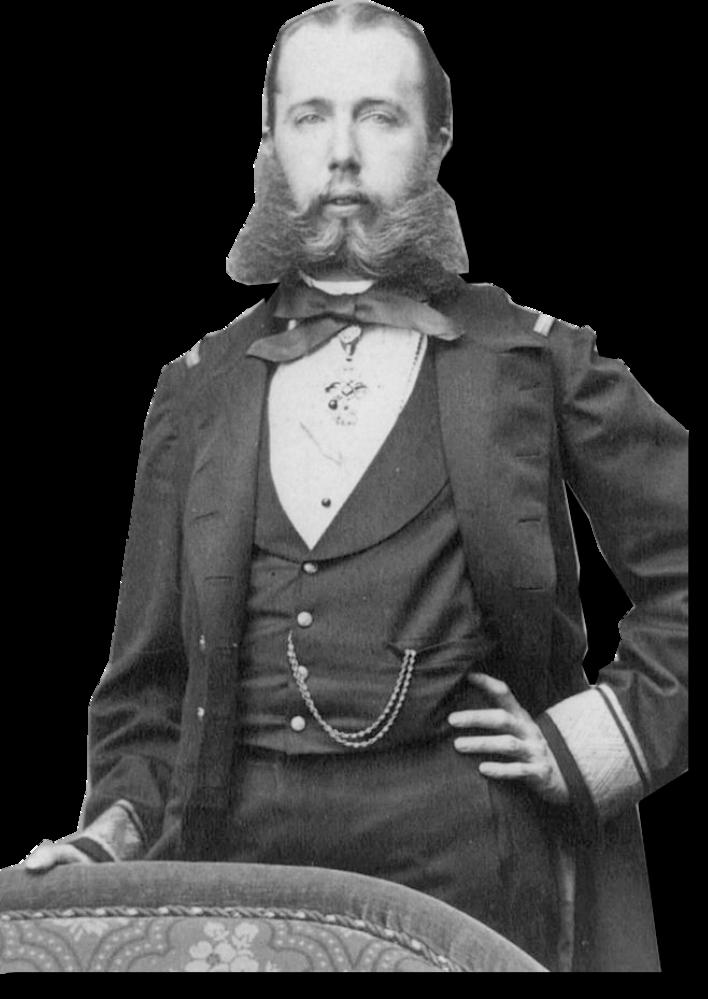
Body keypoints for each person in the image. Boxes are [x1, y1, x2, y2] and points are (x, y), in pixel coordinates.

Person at [22, 0, 687, 973]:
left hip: (472, 892)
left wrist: (595, 737)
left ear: (439, 139)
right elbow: (148, 691)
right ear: (269, 143)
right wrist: (106, 839)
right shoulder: (197, 389)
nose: (341, 155)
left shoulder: (535, 363)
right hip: (235, 900)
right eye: (310, 117)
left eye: (378, 116)